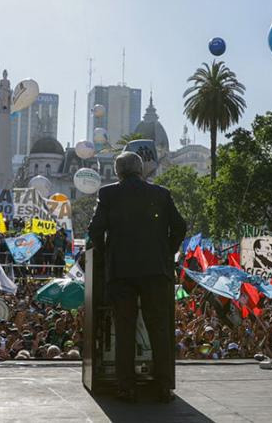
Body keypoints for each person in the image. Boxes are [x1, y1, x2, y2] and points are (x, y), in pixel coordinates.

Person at [87, 151, 186, 403]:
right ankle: (163, 387)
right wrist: (166, 252)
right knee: (159, 328)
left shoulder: (108, 194)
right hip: (156, 271)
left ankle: (126, 387)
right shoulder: (161, 194)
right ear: (141, 170)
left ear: (118, 172)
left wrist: (104, 254)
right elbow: (180, 227)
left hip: (122, 272)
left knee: (124, 328)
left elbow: (95, 229)